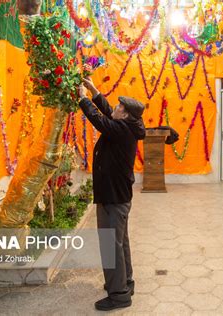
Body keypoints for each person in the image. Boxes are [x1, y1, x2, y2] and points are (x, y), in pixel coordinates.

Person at [78, 78, 145, 311]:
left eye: (119, 107)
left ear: (125, 115)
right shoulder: (127, 126)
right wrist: (94, 91)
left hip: (112, 198)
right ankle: (125, 283)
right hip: (118, 196)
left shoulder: (120, 131)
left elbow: (99, 119)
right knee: (120, 243)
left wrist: (83, 99)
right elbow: (107, 113)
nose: (114, 108)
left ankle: (118, 295)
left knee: (111, 245)